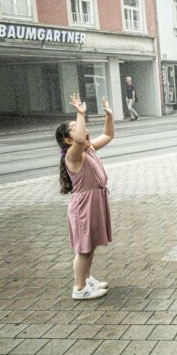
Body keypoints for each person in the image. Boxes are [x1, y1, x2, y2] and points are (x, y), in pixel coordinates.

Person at [55, 93, 114, 300]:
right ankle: (79, 289)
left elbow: (107, 135)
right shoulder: (73, 155)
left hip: (95, 203)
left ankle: (86, 279)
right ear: (68, 139)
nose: (83, 131)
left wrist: (109, 116)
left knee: (91, 245)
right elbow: (80, 139)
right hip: (84, 207)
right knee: (83, 249)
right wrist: (80, 113)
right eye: (75, 128)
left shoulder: (89, 149)